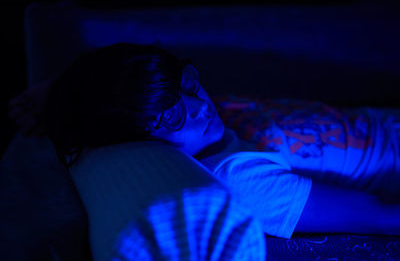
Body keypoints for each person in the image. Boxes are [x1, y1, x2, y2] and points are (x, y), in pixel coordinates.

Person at [8, 42, 400, 243]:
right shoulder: (244, 182)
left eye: (188, 84)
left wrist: (56, 92)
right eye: (172, 114)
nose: (199, 106)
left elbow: (123, 85)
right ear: (140, 143)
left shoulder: (196, 122)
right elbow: (380, 215)